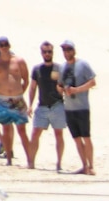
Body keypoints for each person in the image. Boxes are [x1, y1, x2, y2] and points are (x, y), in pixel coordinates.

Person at [0, 36, 32, 167]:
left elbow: (26, 80)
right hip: (3, 101)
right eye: (1, 45)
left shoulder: (19, 61)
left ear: (9, 45)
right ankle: (8, 159)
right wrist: (1, 94)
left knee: (22, 130)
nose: (4, 47)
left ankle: (30, 160)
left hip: (17, 100)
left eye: (6, 44)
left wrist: (19, 92)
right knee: (6, 130)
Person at [57, 39, 97, 175]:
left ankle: (91, 166)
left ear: (74, 50)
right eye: (64, 50)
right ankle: (84, 165)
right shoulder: (62, 68)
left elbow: (92, 82)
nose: (66, 52)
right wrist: (62, 90)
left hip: (82, 107)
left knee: (86, 137)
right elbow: (59, 84)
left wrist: (76, 90)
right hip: (69, 108)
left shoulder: (83, 64)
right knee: (77, 139)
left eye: (69, 49)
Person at [28, 41, 66, 171]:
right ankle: (31, 163)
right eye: (45, 52)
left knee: (58, 134)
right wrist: (30, 105)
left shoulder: (59, 68)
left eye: (49, 51)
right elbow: (32, 88)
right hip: (42, 105)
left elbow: (65, 86)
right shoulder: (37, 69)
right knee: (35, 134)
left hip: (57, 105)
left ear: (53, 53)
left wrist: (61, 89)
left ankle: (59, 163)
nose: (47, 54)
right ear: (41, 53)